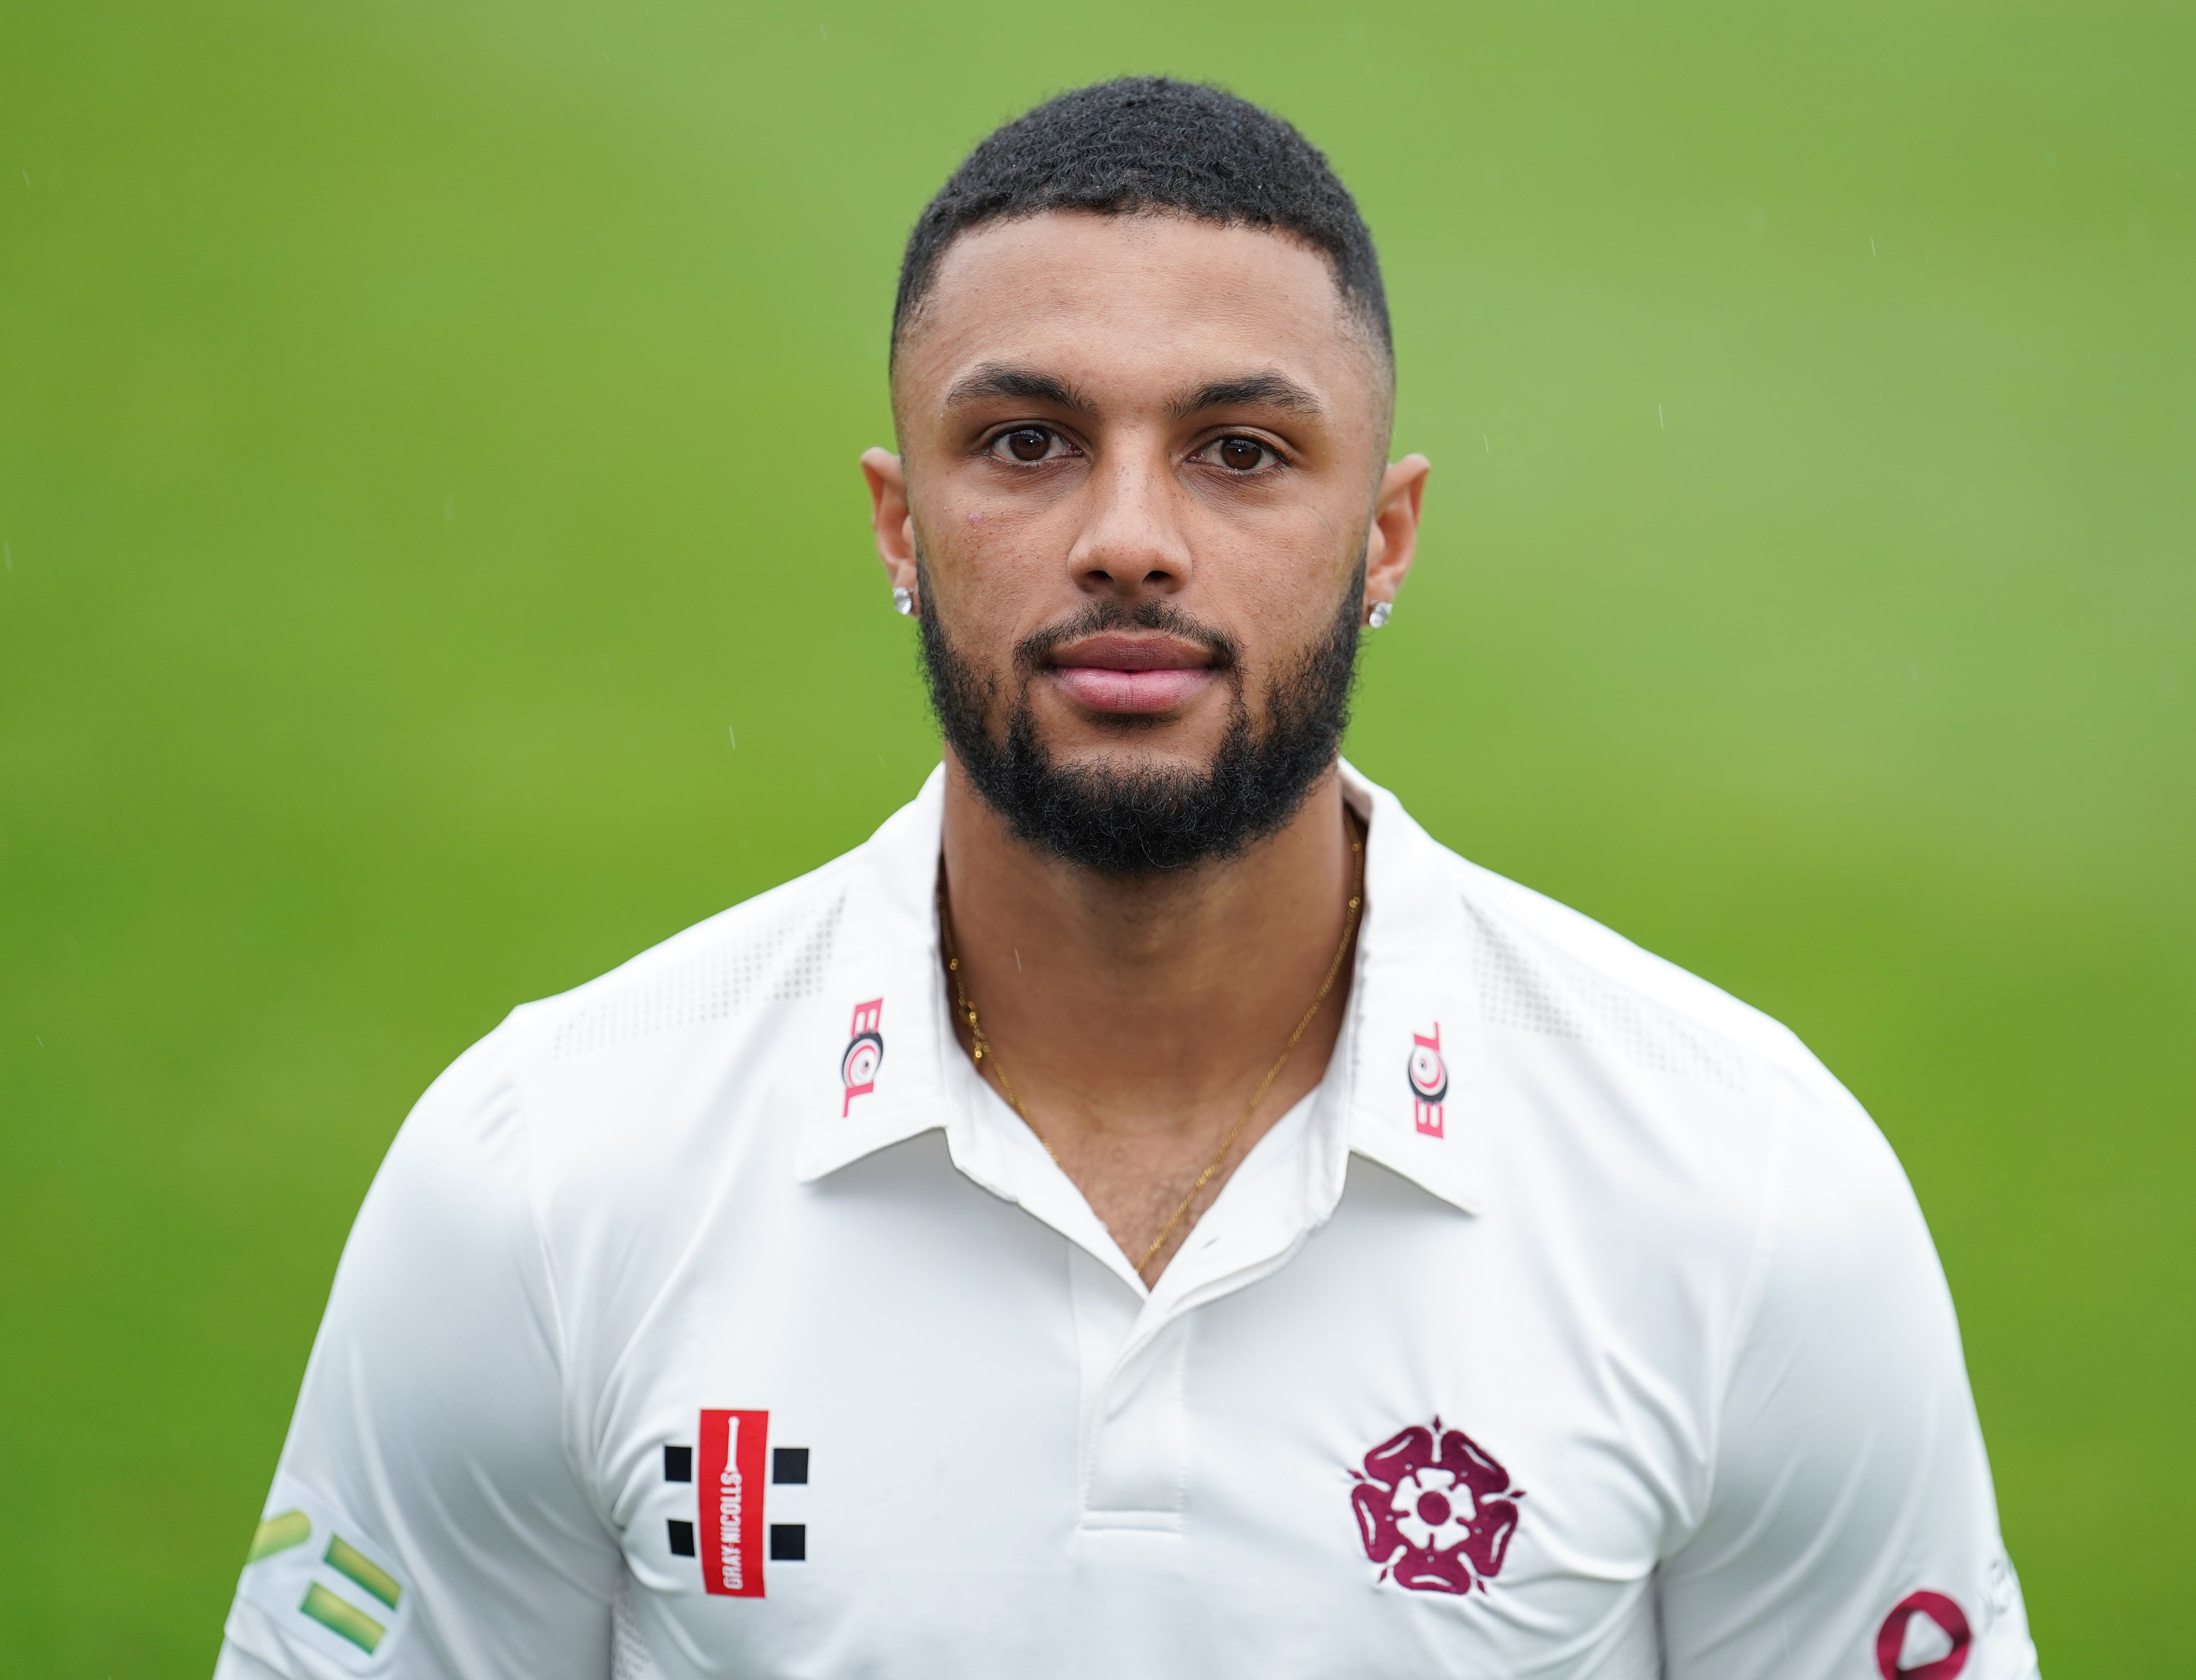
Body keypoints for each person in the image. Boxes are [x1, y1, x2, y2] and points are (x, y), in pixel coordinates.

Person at [215, 78, 2039, 1680]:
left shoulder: (1743, 1186)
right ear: (897, 523)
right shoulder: (547, 1174)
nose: (1132, 540)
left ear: (1380, 534)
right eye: (1027, 443)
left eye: (1242, 453)